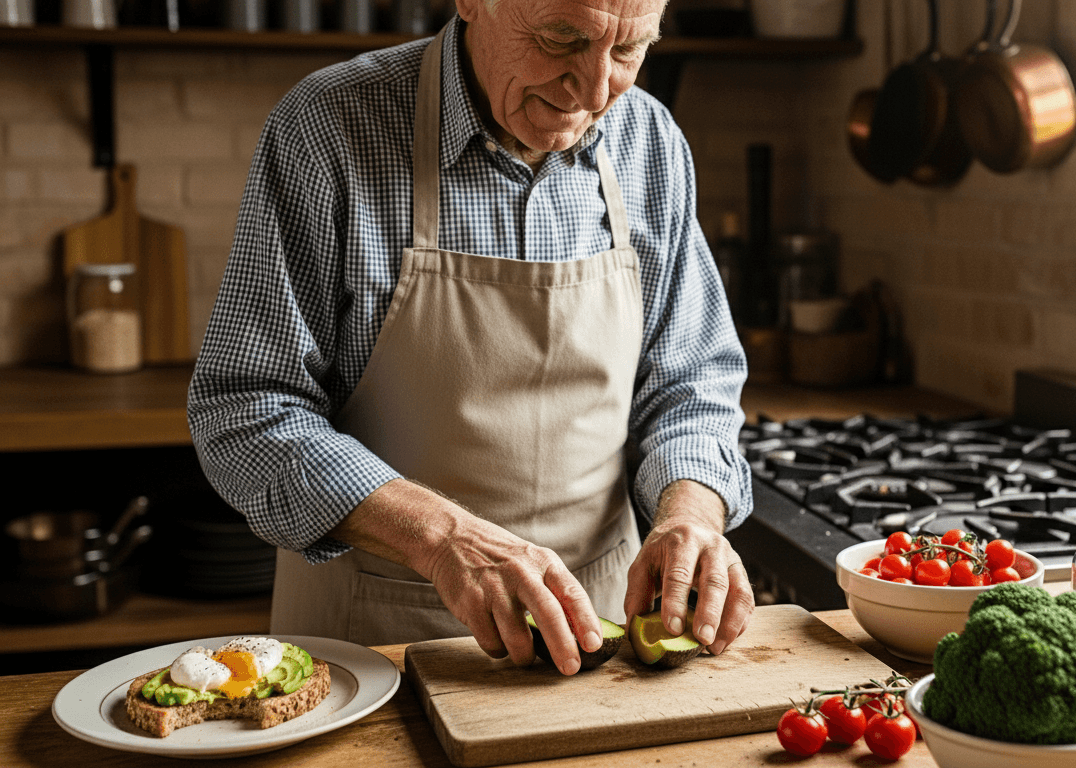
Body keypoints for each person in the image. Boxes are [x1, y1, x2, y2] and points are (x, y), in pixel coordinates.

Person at [187, 0, 755, 676]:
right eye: (562, 39)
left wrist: (690, 511)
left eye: (629, 51)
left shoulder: (652, 143)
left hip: (604, 652)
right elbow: (243, 410)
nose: (597, 92)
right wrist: (440, 537)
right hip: (374, 647)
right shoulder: (328, 127)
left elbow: (692, 386)